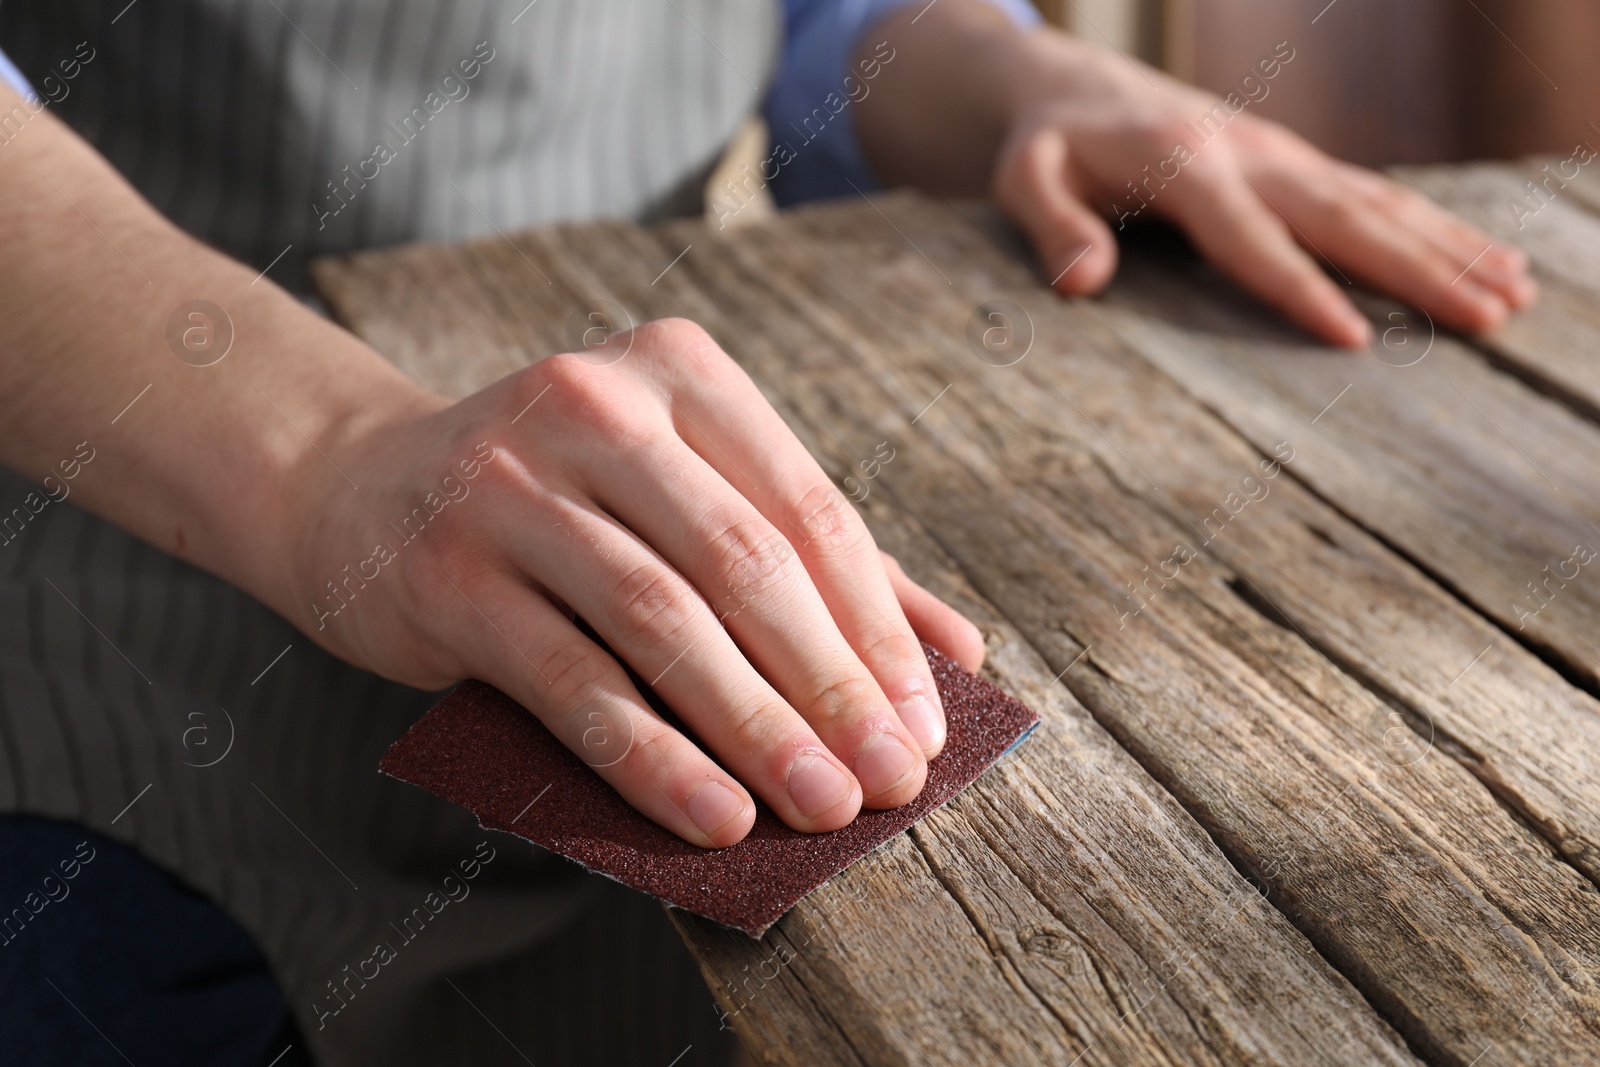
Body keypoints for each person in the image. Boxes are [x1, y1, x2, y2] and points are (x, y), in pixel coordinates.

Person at [0, 1, 1534, 1064]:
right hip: (116, 638)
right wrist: (326, 450)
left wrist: (1012, 80)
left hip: (666, 489)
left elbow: (814, 20)